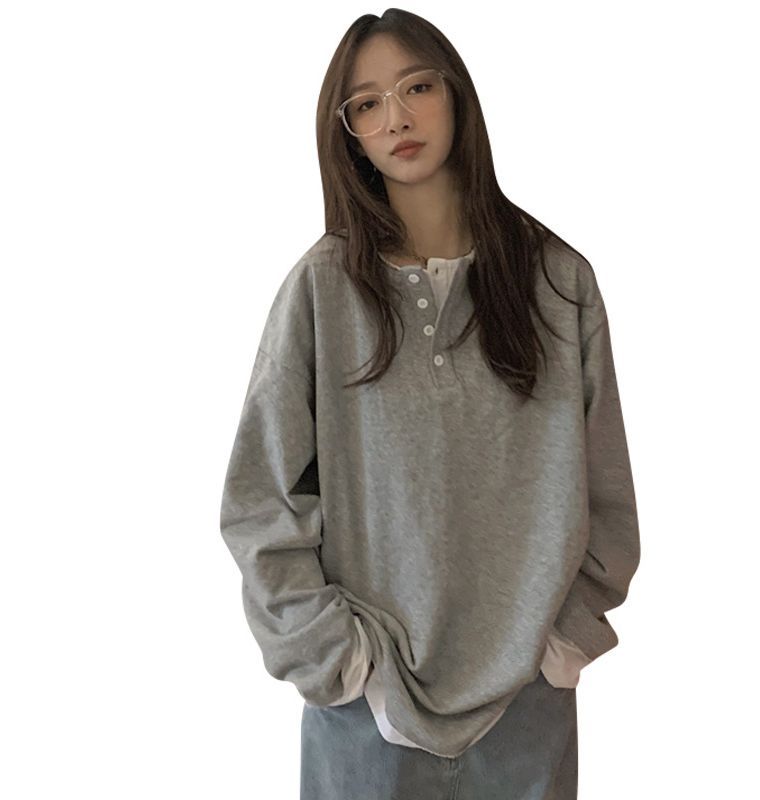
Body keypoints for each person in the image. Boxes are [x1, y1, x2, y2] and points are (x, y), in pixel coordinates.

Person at [219, 9, 641, 799]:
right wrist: (338, 662)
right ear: (348, 133)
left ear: (457, 96)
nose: (397, 118)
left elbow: (606, 489)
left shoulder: (559, 283)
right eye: (367, 103)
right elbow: (259, 500)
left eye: (417, 87)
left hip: (527, 703)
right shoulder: (321, 289)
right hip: (366, 710)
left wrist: (560, 644)